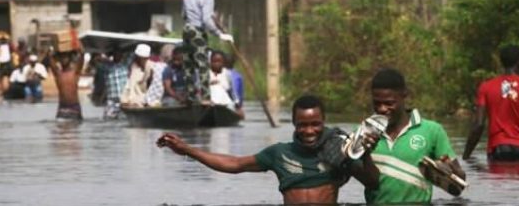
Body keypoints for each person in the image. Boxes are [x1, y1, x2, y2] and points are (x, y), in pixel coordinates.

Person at [157, 94, 380, 205]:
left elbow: (372, 182)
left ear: (323, 122)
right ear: (293, 123)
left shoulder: (340, 150)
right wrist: (187, 149)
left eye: (315, 124)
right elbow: (235, 164)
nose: (309, 130)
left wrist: (364, 153)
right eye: (302, 124)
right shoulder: (279, 153)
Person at [365, 68, 466, 204]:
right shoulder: (364, 134)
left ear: (404, 95)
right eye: (377, 103)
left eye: (389, 103)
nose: (382, 109)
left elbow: (459, 185)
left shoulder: (432, 131)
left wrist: (448, 171)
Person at [181, 0, 234, 102]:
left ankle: (190, 96)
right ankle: (205, 97)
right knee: (203, 65)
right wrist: (219, 34)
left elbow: (183, 15)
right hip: (197, 31)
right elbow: (206, 20)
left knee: (188, 64)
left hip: (186, 29)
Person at [48, 49, 84, 121]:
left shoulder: (75, 73)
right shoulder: (58, 74)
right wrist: (50, 54)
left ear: (70, 59)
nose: (63, 59)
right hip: (62, 108)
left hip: (74, 107)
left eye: (65, 57)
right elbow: (51, 64)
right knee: (60, 130)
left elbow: (81, 63)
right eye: (61, 57)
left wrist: (81, 53)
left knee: (75, 130)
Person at [99, 48, 130, 119]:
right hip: (111, 100)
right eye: (115, 54)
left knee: (124, 120)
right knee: (107, 120)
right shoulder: (106, 67)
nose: (117, 56)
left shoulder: (125, 65)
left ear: (122, 55)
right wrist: (106, 58)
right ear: (113, 55)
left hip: (124, 100)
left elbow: (131, 54)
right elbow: (96, 60)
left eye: (119, 54)